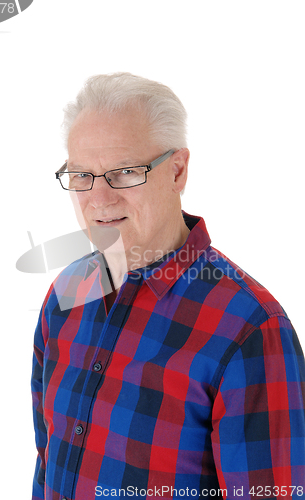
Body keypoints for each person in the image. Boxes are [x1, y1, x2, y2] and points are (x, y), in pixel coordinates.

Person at [31, 73, 305, 500]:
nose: (99, 199)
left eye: (123, 173)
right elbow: (47, 464)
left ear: (177, 172)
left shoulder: (251, 329)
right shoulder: (66, 296)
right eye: (82, 175)